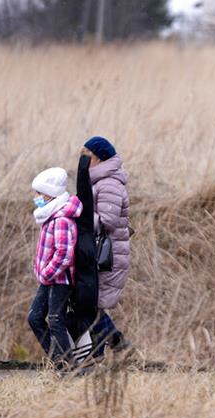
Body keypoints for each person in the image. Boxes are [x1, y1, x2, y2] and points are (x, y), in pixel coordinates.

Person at [27, 167, 82, 369]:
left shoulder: (61, 219)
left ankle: (67, 365)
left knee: (55, 318)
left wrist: (47, 273)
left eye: (39, 193)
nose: (36, 197)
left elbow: (64, 254)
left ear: (50, 194)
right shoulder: (49, 216)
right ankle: (58, 361)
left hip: (59, 280)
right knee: (35, 318)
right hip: (48, 279)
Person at [82, 136, 132, 355]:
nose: (82, 161)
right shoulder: (99, 182)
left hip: (106, 257)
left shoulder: (109, 184)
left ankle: (114, 342)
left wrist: (78, 214)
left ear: (99, 159)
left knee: (90, 305)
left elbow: (106, 222)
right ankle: (102, 352)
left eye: (86, 156)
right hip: (100, 254)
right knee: (90, 305)